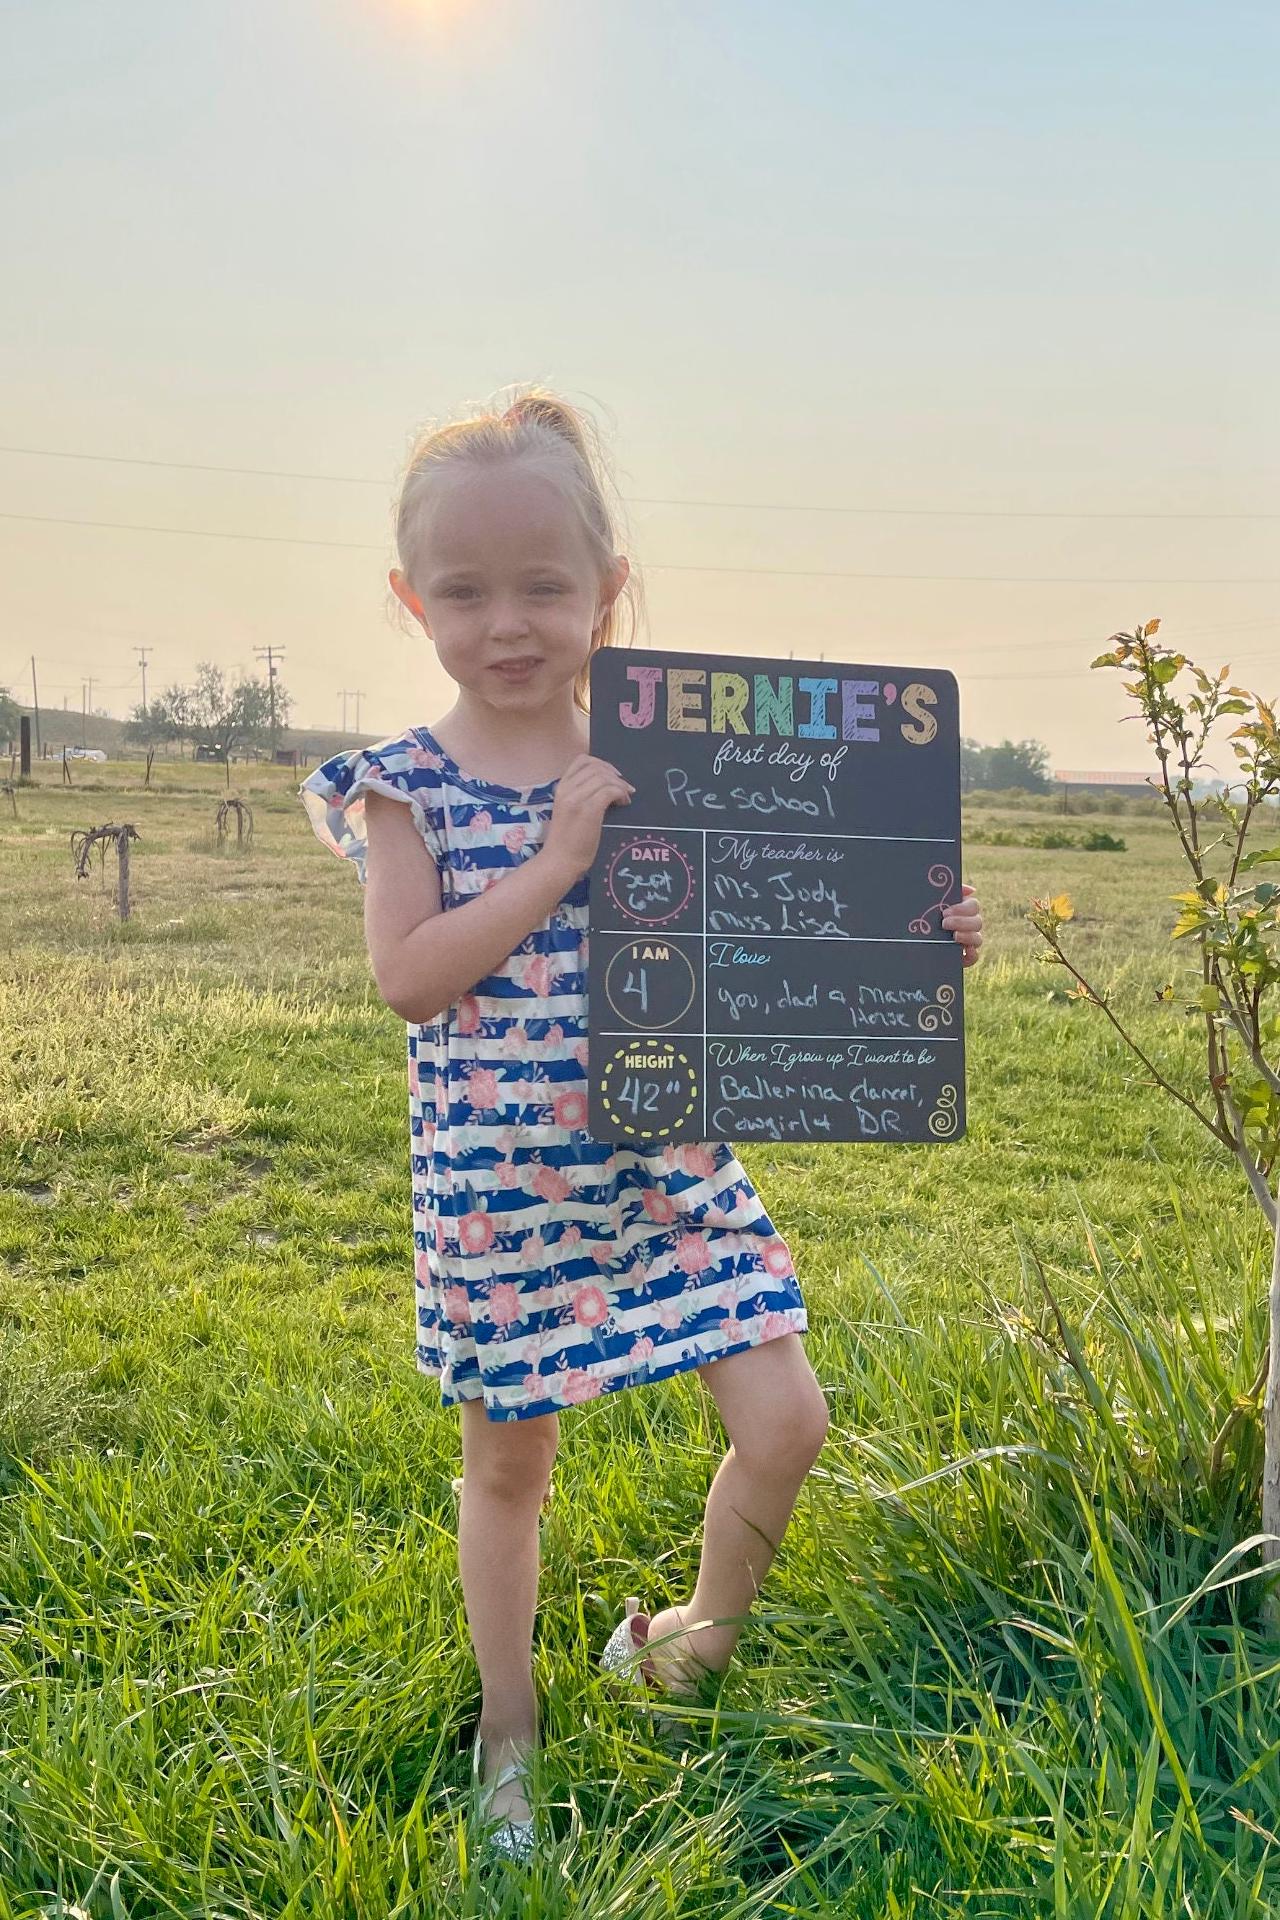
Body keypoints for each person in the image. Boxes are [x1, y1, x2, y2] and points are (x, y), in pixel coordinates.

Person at [299, 386, 985, 1862]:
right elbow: (410, 979)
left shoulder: (673, 757)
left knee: (789, 1417)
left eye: (546, 585)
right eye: (467, 590)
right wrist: (554, 862)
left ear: (611, 593)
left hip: (670, 1165)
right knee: (509, 1468)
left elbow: (778, 930)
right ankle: (510, 1728)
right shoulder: (403, 790)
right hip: (502, 1190)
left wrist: (908, 944)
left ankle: (686, 1646)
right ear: (409, 600)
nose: (509, 623)